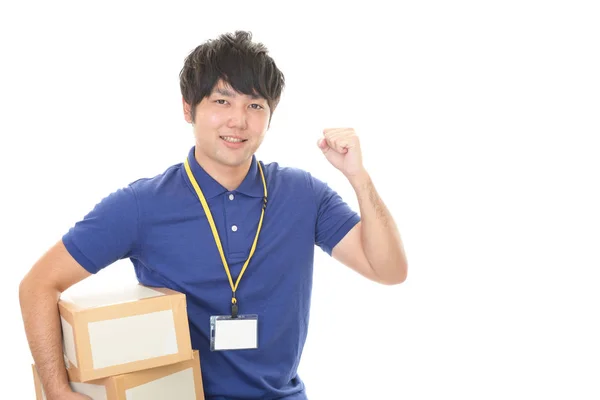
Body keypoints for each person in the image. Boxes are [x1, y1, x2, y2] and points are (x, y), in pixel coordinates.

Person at [19, 30, 408, 400]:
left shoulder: (303, 193)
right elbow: (38, 285)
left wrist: (358, 177)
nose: (239, 121)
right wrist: (56, 389)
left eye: (255, 105)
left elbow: (388, 270)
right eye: (222, 101)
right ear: (189, 108)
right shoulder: (142, 204)